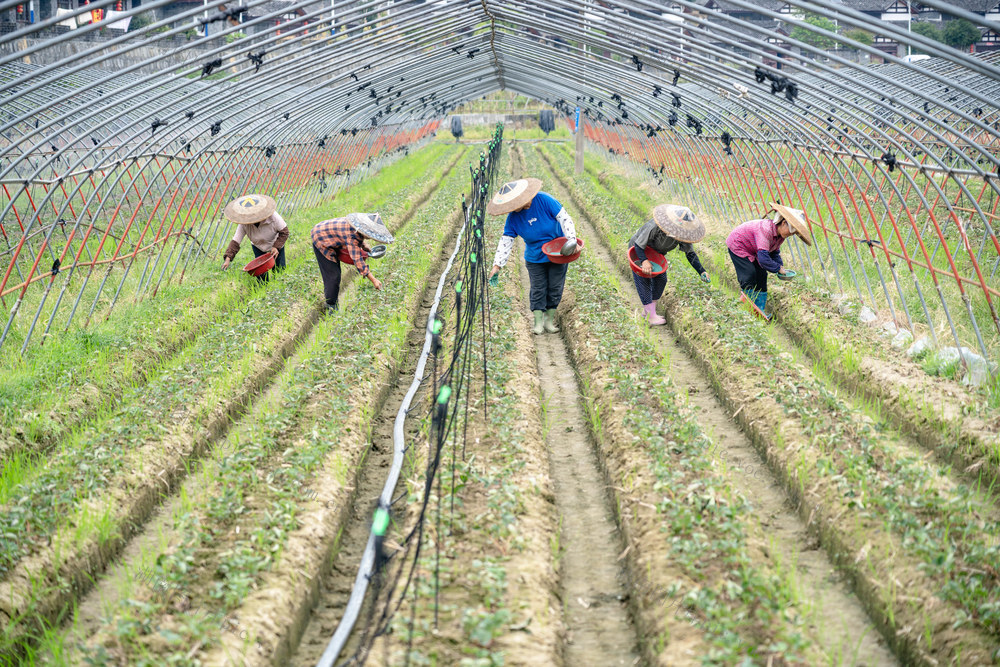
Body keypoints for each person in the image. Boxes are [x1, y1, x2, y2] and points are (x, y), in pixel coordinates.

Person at [486, 178, 580, 335]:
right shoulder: (513, 218)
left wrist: (572, 240)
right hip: (535, 257)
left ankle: (549, 321)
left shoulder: (544, 200)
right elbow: (506, 240)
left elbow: (564, 218)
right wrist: (497, 265)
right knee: (538, 288)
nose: (513, 208)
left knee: (555, 287)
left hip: (557, 252)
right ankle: (538, 322)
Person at [726, 203, 812, 319]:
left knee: (762, 275)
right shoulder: (766, 230)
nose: (790, 235)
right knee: (749, 274)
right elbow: (763, 259)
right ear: (783, 223)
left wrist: (780, 266)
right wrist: (777, 268)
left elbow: (774, 252)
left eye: (793, 234)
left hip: (754, 249)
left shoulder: (781, 236)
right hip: (739, 244)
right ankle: (745, 308)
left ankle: (758, 309)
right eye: (791, 232)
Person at [630, 204, 710, 326]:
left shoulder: (683, 234)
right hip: (639, 250)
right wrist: (644, 261)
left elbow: (690, 254)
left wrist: (702, 271)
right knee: (644, 278)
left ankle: (649, 312)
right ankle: (650, 315)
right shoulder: (655, 226)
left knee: (662, 279)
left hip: (656, 254)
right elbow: (639, 244)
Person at [311, 212, 393, 311]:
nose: (370, 236)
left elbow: (358, 238)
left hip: (330, 234)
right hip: (320, 238)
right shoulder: (352, 236)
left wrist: (363, 245)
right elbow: (357, 261)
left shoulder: (357, 228)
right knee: (333, 275)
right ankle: (330, 306)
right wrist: (374, 280)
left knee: (335, 273)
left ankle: (332, 302)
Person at [221, 194, 289, 279]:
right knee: (261, 275)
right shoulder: (244, 224)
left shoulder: (273, 217)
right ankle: (263, 289)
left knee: (280, 272)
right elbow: (236, 241)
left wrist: (276, 247)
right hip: (258, 247)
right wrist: (228, 258)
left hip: (275, 244)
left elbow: (285, 232)